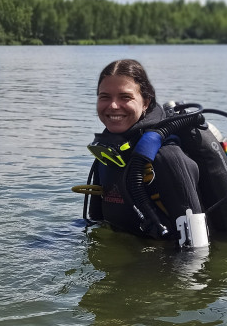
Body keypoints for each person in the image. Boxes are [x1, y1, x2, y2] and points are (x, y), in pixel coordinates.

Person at [87, 59, 204, 242]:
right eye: (105, 97)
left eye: (125, 97)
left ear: (146, 103)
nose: (113, 106)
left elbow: (197, 249)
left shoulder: (167, 158)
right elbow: (96, 223)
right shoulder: (108, 154)